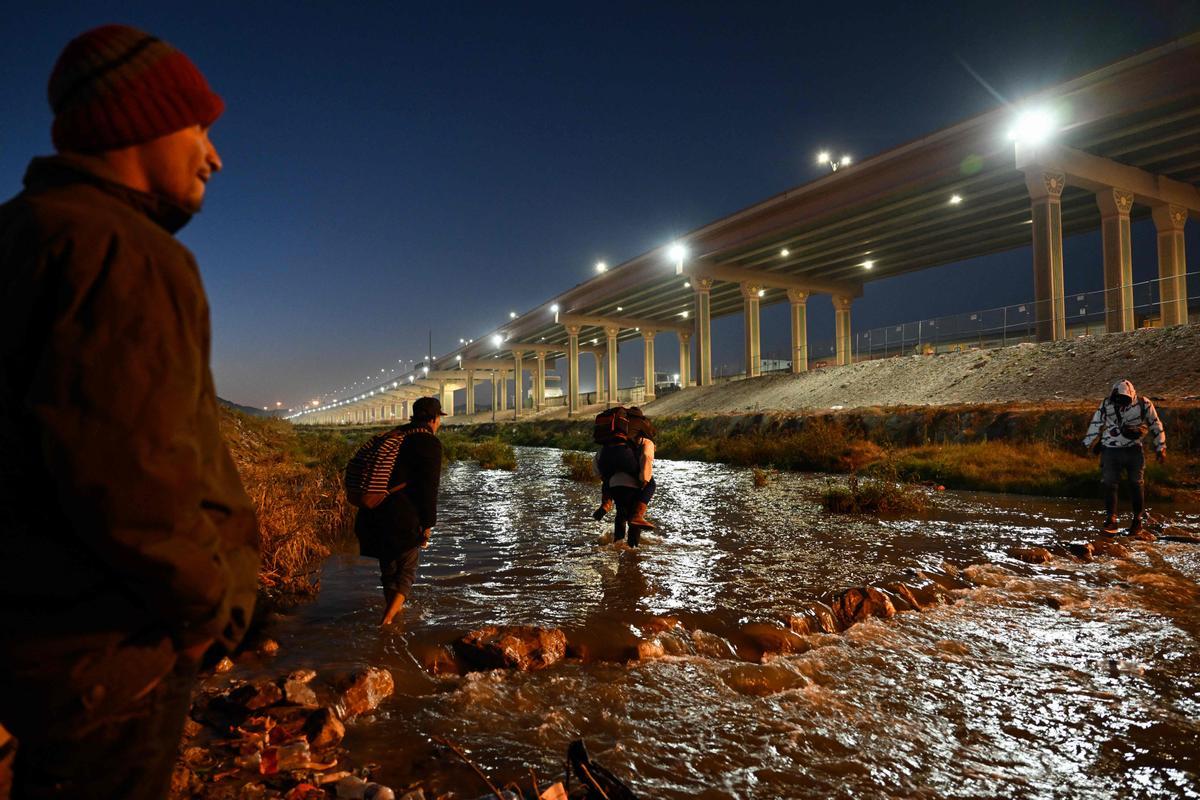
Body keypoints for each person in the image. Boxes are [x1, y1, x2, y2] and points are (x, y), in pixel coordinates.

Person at [0, 24, 260, 799]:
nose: (214, 155)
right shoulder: (122, 250)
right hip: (116, 649)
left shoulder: (22, 235)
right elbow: (131, 477)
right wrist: (206, 614)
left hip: (38, 642)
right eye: (200, 127)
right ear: (134, 122)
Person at [354, 396, 445, 626]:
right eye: (439, 419)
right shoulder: (428, 443)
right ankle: (387, 622)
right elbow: (429, 488)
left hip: (373, 514)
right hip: (402, 518)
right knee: (406, 571)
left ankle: (395, 615)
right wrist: (428, 524)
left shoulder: (395, 436)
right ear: (434, 419)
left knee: (389, 570)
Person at [1082, 379, 1166, 535]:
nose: (1120, 402)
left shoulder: (1144, 403)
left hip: (1134, 450)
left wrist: (1161, 447)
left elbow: (1155, 424)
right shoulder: (1107, 404)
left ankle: (1137, 520)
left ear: (1131, 395)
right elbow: (1096, 422)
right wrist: (1087, 443)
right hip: (1110, 450)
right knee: (1109, 483)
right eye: (1117, 399)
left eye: (1123, 399)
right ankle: (1111, 520)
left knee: (1136, 483)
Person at [593, 407, 657, 548]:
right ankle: (633, 548)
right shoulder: (644, 440)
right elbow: (646, 457)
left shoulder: (612, 440)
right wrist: (644, 479)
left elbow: (597, 460)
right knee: (635, 518)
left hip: (614, 483)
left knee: (621, 513)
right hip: (633, 484)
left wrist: (605, 480)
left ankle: (617, 542)